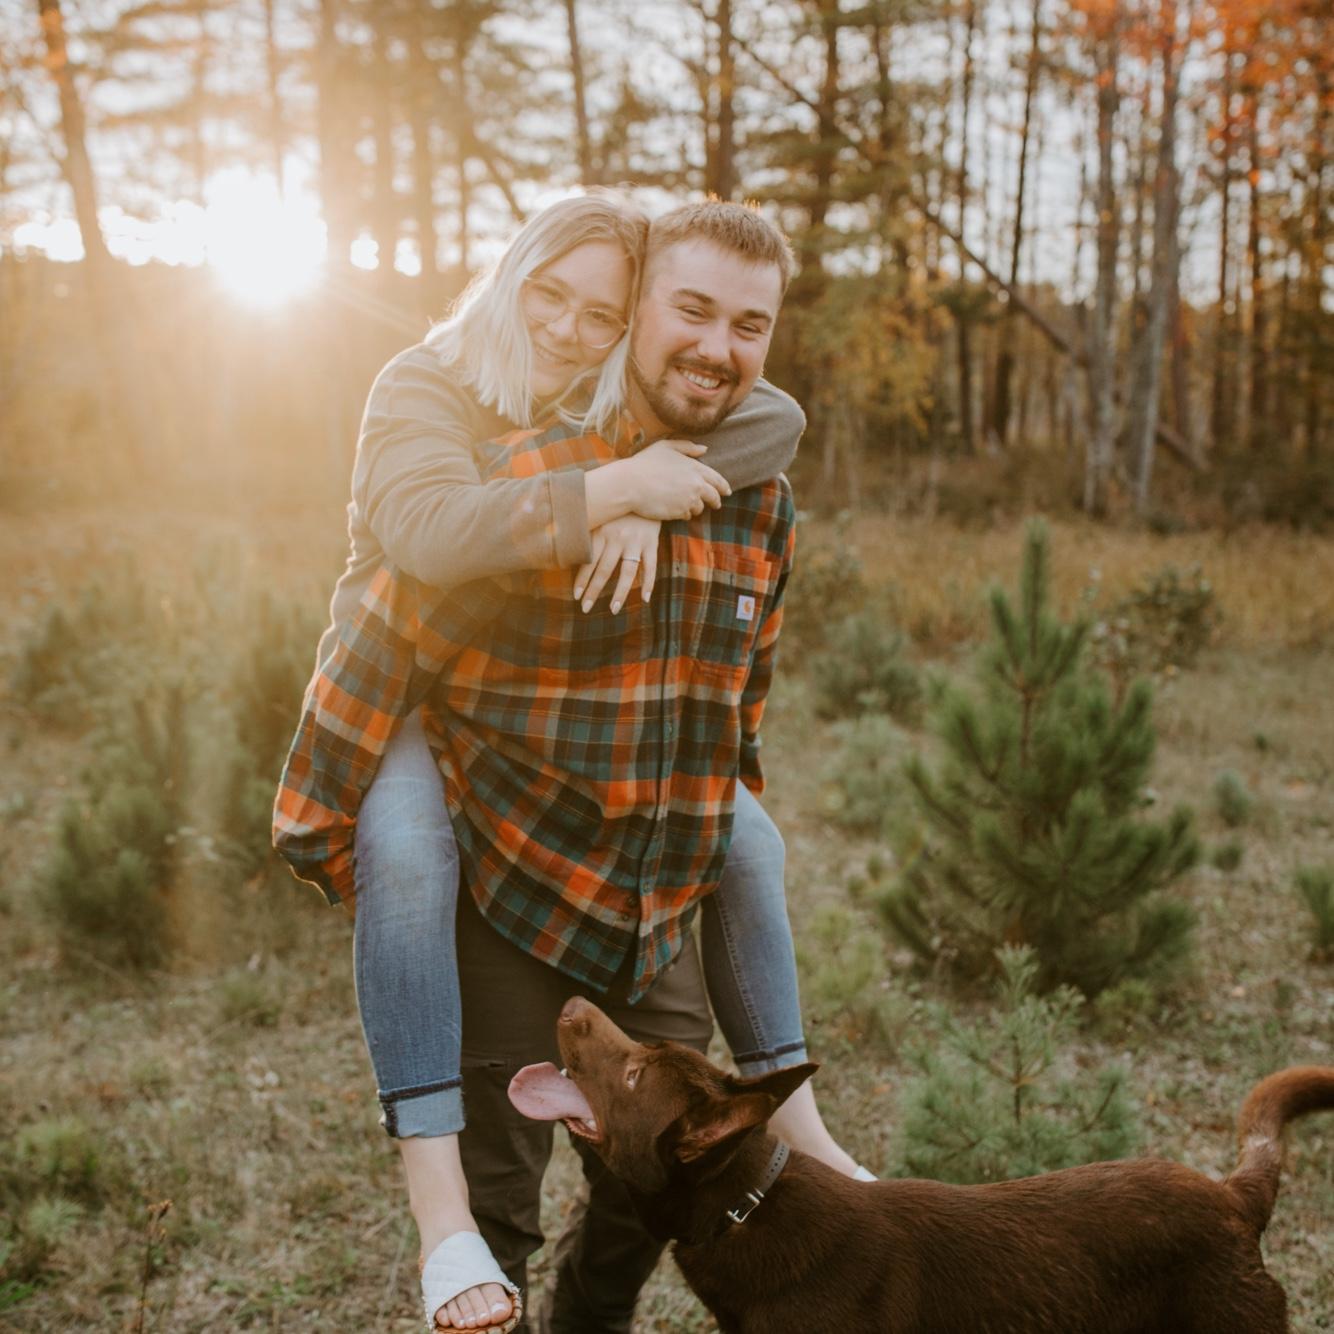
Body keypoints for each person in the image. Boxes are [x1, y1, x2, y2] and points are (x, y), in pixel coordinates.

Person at [275, 195, 861, 1333]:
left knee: (655, 1174)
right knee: (405, 855)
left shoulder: (745, 485)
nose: (714, 343)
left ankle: (631, 1275)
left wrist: (655, 476)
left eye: (748, 323)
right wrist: (607, 495)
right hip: (499, 843)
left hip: (645, 886)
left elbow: (741, 692)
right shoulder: (449, 406)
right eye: (685, 308)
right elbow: (419, 566)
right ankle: (443, 1206)